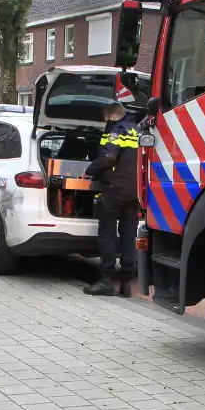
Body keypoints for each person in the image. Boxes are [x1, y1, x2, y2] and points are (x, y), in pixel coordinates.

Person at [83, 98, 141, 297]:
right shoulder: (137, 129)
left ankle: (106, 281)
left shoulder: (116, 130)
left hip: (115, 189)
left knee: (106, 233)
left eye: (106, 116)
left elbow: (108, 157)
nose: (105, 119)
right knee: (128, 235)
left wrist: (89, 171)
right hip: (135, 191)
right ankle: (126, 283)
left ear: (114, 114)